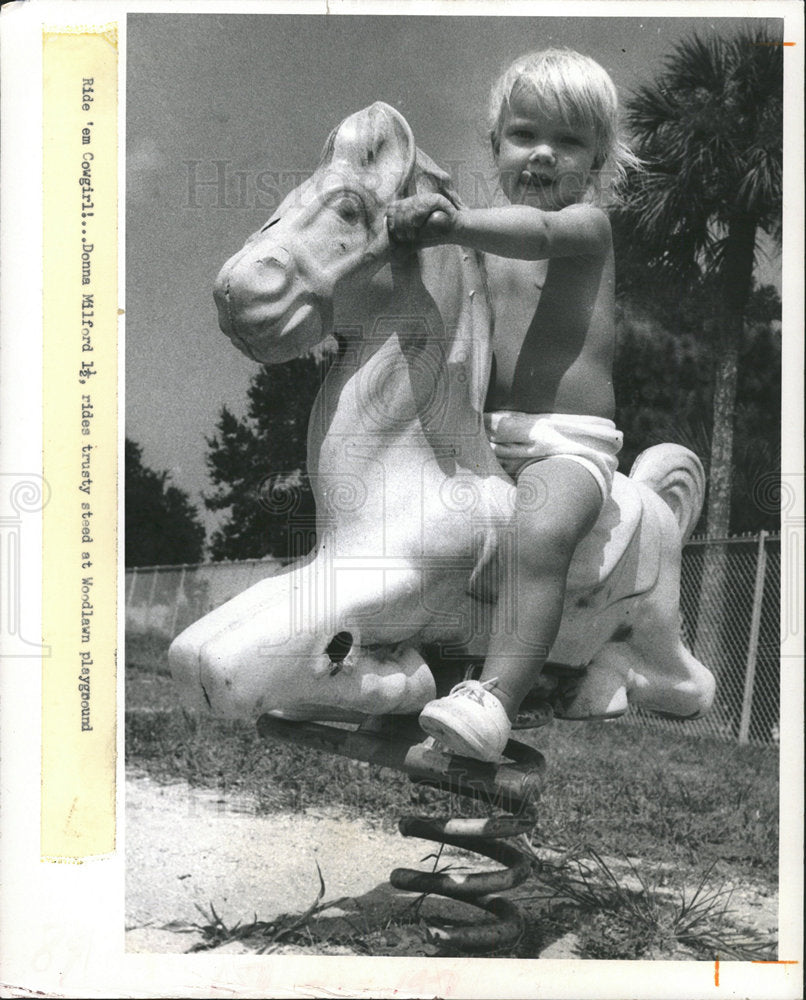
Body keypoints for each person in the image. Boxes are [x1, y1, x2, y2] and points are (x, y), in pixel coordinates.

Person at [385, 48, 638, 762]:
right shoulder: (477, 242)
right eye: (526, 135)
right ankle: (390, 666)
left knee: (536, 534)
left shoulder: (587, 226)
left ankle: (494, 698)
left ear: (598, 160)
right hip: (489, 433)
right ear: (495, 144)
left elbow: (542, 233)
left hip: (569, 443)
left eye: (569, 141)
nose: (544, 155)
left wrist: (452, 222)